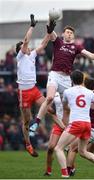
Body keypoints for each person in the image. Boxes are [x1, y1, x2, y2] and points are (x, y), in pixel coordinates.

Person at [35, 23, 94, 128]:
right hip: (54, 75)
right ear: (63, 34)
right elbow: (51, 30)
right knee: (49, 98)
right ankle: (36, 122)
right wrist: (50, 23)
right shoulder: (58, 42)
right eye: (67, 32)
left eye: (71, 33)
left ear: (73, 36)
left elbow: (90, 55)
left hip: (66, 79)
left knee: (68, 107)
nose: (69, 34)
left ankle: (69, 128)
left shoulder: (76, 47)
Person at [54, 70, 94, 178]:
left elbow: (64, 106)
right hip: (87, 124)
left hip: (76, 123)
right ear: (82, 80)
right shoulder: (89, 92)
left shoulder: (68, 91)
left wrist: (72, 107)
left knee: (58, 148)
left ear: (72, 80)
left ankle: (65, 174)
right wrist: (87, 107)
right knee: (83, 151)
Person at [16, 14, 56, 157]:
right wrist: (32, 26)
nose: (26, 47)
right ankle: (28, 144)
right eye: (23, 47)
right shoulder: (20, 57)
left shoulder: (31, 55)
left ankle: (62, 131)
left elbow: (44, 44)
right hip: (24, 92)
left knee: (50, 109)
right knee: (26, 121)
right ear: (20, 50)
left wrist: (49, 32)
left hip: (33, 89)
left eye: (25, 47)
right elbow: (26, 41)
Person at [44, 92, 65, 176]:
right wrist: (49, 109)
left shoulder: (70, 91)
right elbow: (49, 109)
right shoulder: (54, 93)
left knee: (71, 149)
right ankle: (48, 171)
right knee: (51, 147)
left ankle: (70, 168)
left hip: (70, 124)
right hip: (58, 123)